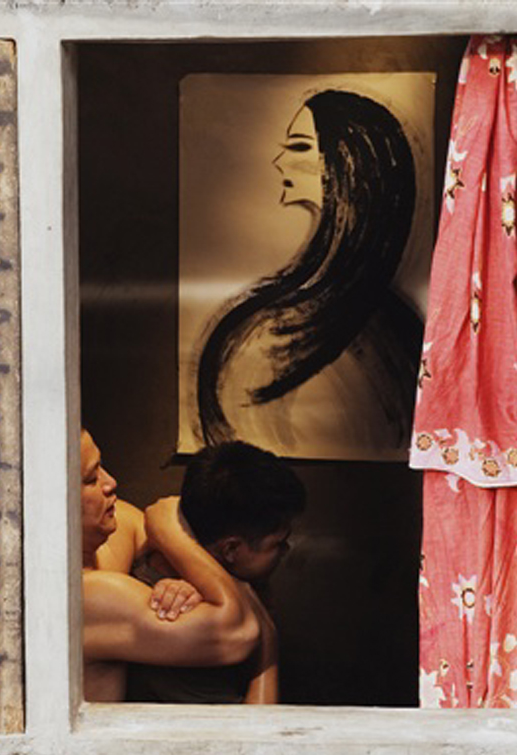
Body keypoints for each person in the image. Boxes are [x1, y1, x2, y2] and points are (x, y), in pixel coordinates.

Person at [195, 89, 423, 456]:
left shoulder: (382, 337)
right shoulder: (391, 328)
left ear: (347, 165)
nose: (279, 161)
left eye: (299, 147)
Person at [80, 430, 263, 702]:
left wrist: (185, 585)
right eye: (91, 479)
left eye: (102, 466)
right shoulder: (82, 595)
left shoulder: (106, 533)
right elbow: (240, 631)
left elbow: (172, 558)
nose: (111, 482)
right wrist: (168, 530)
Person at [124, 441, 304, 704]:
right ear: (231, 549)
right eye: (277, 543)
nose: (285, 550)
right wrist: (268, 649)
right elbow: (250, 728)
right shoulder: (180, 615)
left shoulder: (225, 579)